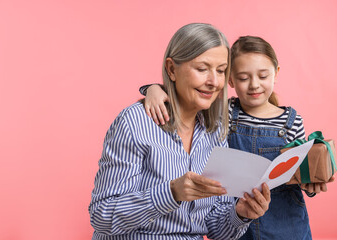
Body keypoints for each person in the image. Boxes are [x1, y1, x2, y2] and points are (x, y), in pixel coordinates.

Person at [140, 35, 335, 239]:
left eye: (262, 76)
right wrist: (152, 90)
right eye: (243, 78)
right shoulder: (224, 110)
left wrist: (311, 186)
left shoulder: (292, 120)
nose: (254, 85)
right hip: (237, 219)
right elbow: (184, 92)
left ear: (276, 74)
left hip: (285, 222)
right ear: (230, 79)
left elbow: (300, 173)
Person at [88, 23, 271, 240]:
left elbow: (215, 229)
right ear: (172, 69)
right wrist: (171, 192)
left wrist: (240, 214)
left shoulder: (215, 132)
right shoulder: (135, 123)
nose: (213, 82)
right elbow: (102, 215)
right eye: (202, 69)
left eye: (221, 71)